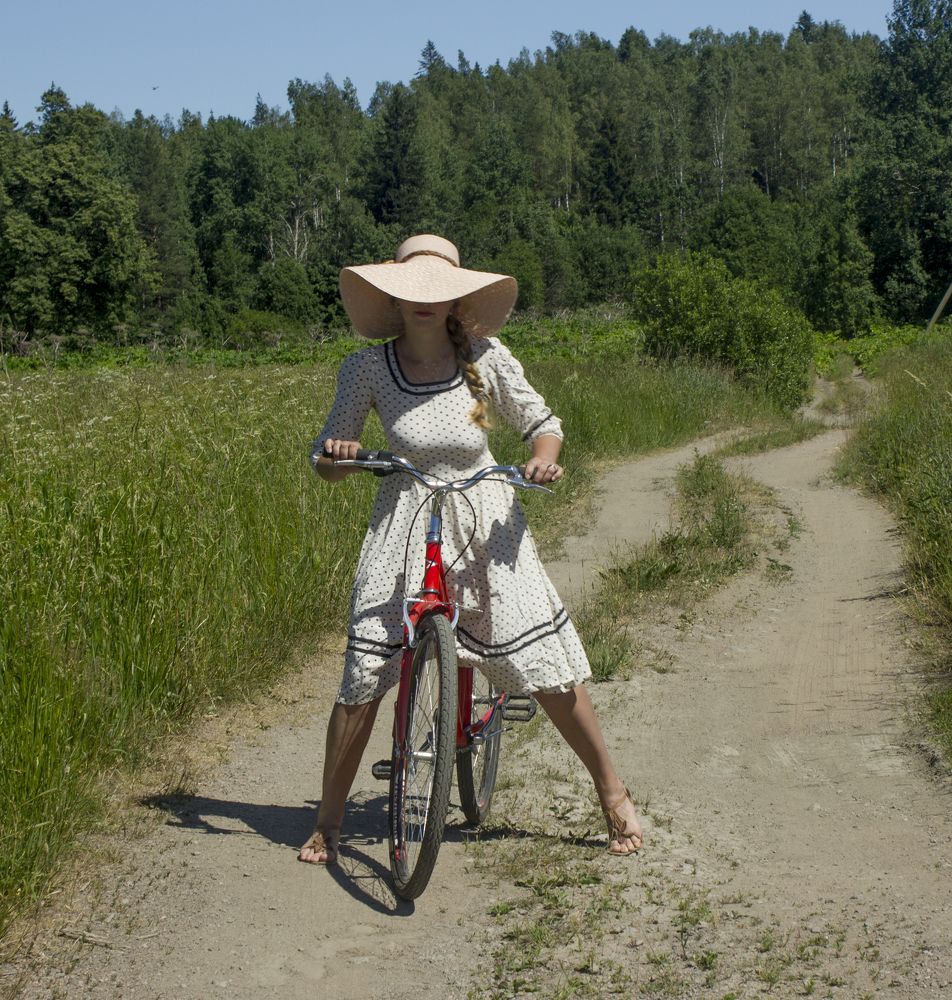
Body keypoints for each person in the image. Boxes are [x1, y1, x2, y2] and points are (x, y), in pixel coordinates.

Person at [299, 234, 642, 865]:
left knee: (538, 660)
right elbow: (327, 458)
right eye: (411, 293)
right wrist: (341, 457)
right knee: (365, 669)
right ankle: (329, 819)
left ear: (456, 297)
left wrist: (542, 462)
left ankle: (613, 793)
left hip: (486, 516)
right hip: (404, 518)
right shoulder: (366, 368)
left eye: (438, 293)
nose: (424, 304)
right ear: (393, 298)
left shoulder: (487, 357)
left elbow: (543, 425)